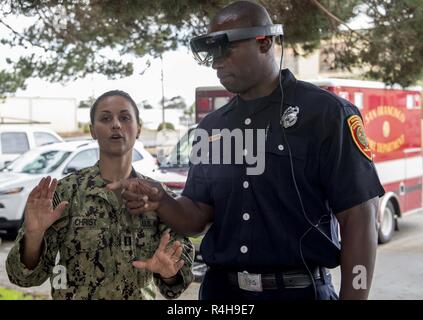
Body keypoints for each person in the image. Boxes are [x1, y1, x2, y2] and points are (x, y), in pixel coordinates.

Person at [109, 1, 384, 300]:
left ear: (264, 42)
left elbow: (359, 217)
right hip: (221, 295)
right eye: (211, 53)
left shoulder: (326, 114)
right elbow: (197, 215)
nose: (216, 62)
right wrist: (162, 199)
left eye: (225, 48)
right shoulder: (210, 128)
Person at [6, 90, 194, 300]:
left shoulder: (158, 198)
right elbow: (23, 278)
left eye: (125, 117)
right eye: (105, 118)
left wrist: (169, 274)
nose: (116, 124)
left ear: (138, 128)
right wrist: (34, 236)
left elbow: (178, 280)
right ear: (93, 130)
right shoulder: (64, 193)